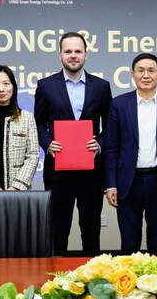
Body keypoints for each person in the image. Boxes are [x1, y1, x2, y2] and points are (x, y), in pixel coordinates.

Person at [34, 32, 112, 257]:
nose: (73, 55)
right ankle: (56, 276)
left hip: (91, 171)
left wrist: (99, 144)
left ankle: (93, 276)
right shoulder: (46, 85)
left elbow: (110, 126)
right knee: (58, 228)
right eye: (68, 51)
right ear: (60, 55)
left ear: (86, 55)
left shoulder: (101, 86)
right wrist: (47, 143)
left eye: (78, 51)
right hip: (58, 170)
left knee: (91, 228)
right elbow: (38, 122)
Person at [104, 53, 157, 255]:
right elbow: (111, 148)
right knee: (129, 245)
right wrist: (110, 184)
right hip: (128, 182)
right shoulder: (119, 104)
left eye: (151, 70)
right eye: (140, 70)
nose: (146, 75)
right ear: (132, 75)